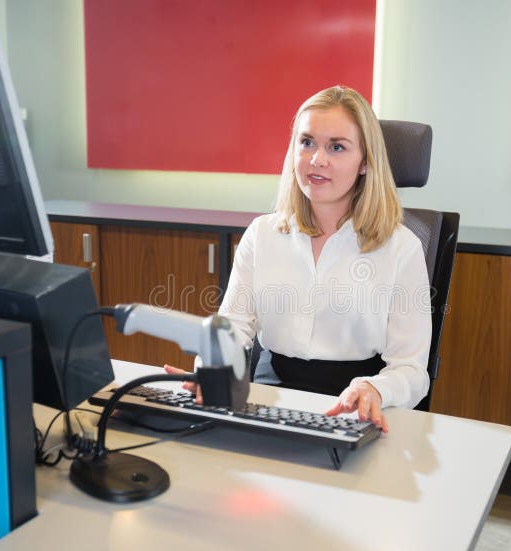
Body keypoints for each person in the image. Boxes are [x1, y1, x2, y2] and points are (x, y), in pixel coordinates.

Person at [168, 85, 432, 432]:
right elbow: (233, 328)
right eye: (306, 142)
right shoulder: (262, 234)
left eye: (336, 147)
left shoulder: (402, 248)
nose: (316, 159)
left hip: (354, 404)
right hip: (268, 397)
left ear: (366, 162)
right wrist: (211, 368)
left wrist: (375, 388)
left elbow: (411, 369)